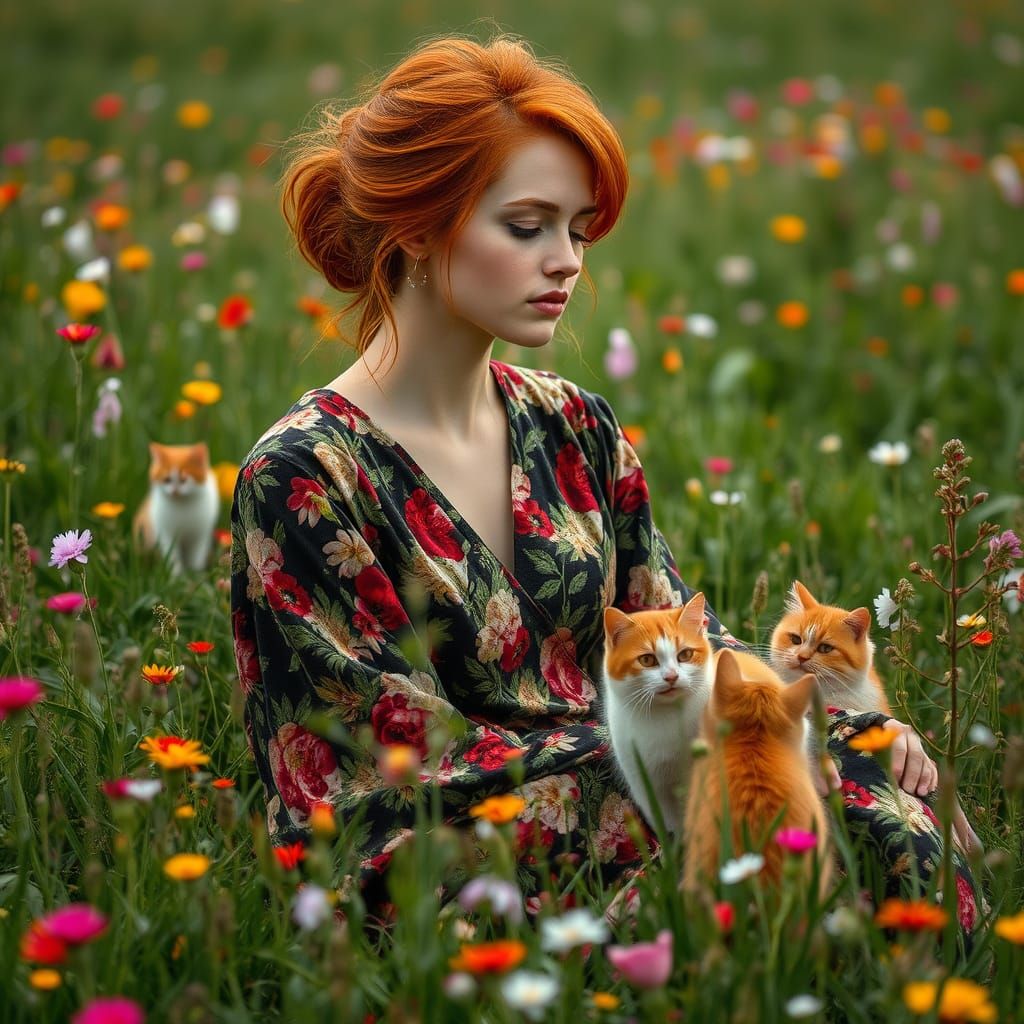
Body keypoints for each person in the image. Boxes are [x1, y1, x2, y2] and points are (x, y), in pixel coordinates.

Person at [230, 34, 981, 931]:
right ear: (418, 228)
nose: (567, 260)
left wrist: (835, 722)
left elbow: (686, 639)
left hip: (640, 773)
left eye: (578, 231)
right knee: (791, 812)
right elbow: (383, 761)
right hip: (453, 839)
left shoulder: (575, 426)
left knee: (873, 801)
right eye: (528, 226)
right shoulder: (305, 474)